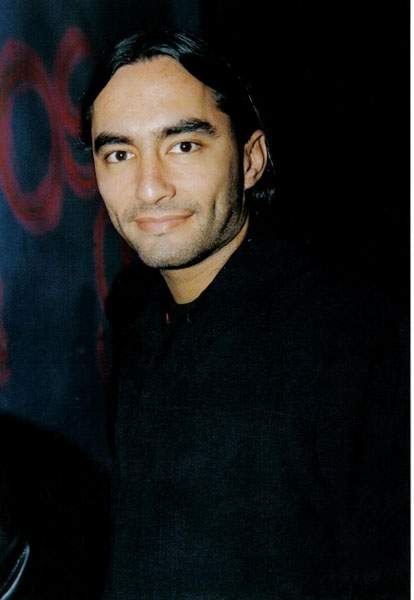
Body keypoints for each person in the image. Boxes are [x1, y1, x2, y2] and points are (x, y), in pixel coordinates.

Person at [82, 29, 409, 599]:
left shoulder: (355, 339)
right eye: (119, 154)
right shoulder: (139, 325)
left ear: (252, 160)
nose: (150, 188)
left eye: (184, 146)